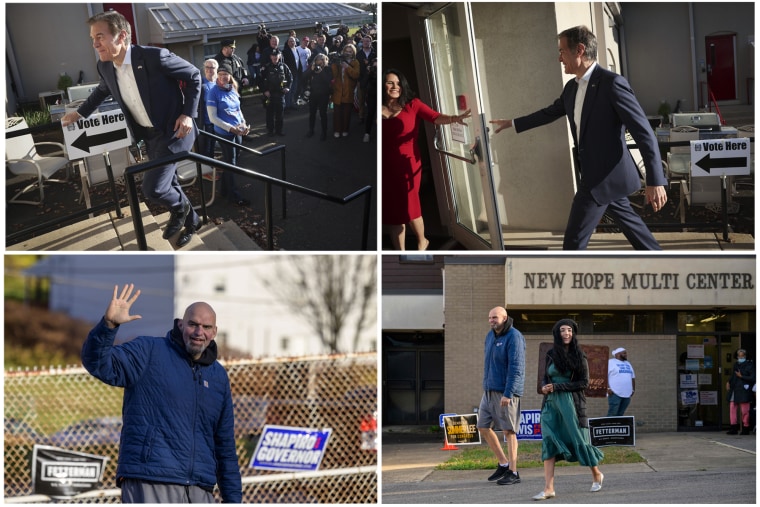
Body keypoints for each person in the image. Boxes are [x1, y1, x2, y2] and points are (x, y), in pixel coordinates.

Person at [490, 25, 668, 250]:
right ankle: (663, 262)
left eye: (562, 51)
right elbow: (549, 113)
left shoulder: (612, 84)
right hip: (605, 180)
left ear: (580, 50)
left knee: (573, 243)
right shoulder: (571, 89)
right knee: (636, 232)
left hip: (598, 180)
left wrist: (655, 180)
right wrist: (513, 123)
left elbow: (644, 132)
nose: (559, 58)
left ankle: (569, 278)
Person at [81, 284, 241, 503]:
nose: (198, 332)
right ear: (181, 324)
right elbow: (98, 364)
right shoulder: (149, 351)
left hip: (200, 489)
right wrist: (109, 325)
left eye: (206, 327)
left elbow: (225, 447)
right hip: (150, 480)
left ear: (214, 332)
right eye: (193, 324)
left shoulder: (217, 376)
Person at [60, 10, 202, 248]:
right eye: (93, 38)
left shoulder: (155, 57)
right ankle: (193, 221)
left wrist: (188, 114)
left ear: (121, 36)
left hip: (174, 132)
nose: (95, 44)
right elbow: (102, 91)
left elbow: (194, 76)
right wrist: (80, 113)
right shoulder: (105, 66)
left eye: (100, 37)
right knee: (170, 184)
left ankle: (182, 208)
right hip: (149, 136)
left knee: (153, 188)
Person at [382, 69, 471, 250]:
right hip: (384, 166)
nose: (395, 87)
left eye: (398, 83)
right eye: (390, 82)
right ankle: (401, 252)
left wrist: (455, 118)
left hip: (408, 164)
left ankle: (423, 240)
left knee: (410, 205)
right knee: (392, 211)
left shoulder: (413, 105)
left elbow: (435, 117)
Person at [534, 319, 604, 501]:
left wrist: (558, 387)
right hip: (551, 404)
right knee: (549, 440)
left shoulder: (579, 355)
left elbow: (584, 383)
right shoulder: (550, 354)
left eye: (570, 330)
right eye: (563, 330)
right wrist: (544, 387)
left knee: (579, 439)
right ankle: (549, 488)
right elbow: (544, 378)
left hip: (571, 404)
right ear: (557, 333)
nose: (566, 333)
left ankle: (596, 474)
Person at [478, 306, 526, 487]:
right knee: (482, 426)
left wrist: (509, 393)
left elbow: (517, 367)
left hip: (505, 392)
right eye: (490, 318)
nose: (491, 321)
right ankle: (503, 463)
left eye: (495, 318)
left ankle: (514, 472)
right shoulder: (490, 336)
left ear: (505, 318)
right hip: (489, 390)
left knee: (509, 431)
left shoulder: (514, 337)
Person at [206, 63, 251, 207]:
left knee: (231, 162)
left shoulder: (233, 89)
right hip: (225, 133)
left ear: (230, 76)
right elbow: (213, 118)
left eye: (226, 74)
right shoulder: (213, 92)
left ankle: (224, 190)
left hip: (238, 131)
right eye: (220, 74)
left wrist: (244, 123)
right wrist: (231, 129)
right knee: (231, 164)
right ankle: (234, 195)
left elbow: (238, 110)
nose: (223, 77)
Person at [259, 48, 292, 137]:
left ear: (279, 56)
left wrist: (288, 88)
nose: (274, 57)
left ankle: (279, 130)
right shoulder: (266, 67)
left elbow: (290, 78)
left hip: (280, 95)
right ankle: (270, 131)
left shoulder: (284, 66)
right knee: (269, 114)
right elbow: (260, 80)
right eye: (273, 56)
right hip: (269, 95)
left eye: (276, 55)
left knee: (280, 114)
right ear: (270, 57)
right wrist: (264, 91)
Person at [330, 43, 360, 138]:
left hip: (348, 91)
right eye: (346, 51)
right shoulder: (339, 60)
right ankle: (337, 130)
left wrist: (347, 67)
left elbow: (356, 75)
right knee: (337, 113)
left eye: (350, 51)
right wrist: (335, 63)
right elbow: (334, 75)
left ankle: (345, 129)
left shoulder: (355, 62)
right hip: (338, 90)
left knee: (346, 113)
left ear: (353, 52)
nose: (348, 53)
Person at [302, 53, 333, 141]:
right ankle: (311, 130)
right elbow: (303, 77)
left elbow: (328, 81)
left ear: (326, 61)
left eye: (323, 60)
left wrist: (321, 71)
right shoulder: (312, 68)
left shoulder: (328, 69)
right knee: (312, 114)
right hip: (313, 95)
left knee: (323, 114)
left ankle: (324, 132)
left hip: (324, 95)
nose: (321, 61)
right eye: (319, 59)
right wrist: (310, 70)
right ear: (315, 60)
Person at [726, 349, 756, 435]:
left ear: (745, 356)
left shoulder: (750, 365)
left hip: (744, 389)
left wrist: (742, 376)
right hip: (735, 388)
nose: (740, 358)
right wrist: (728, 382)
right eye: (739, 356)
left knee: (745, 410)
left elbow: (753, 378)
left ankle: (745, 427)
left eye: (742, 356)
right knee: (732, 407)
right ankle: (733, 427)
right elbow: (733, 375)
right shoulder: (736, 364)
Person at [607, 347, 636, 416]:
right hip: (615, 393)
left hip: (627, 394)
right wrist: (608, 388)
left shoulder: (628, 363)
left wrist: (633, 390)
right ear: (617, 354)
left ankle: (617, 426)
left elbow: (632, 377)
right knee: (612, 413)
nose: (626, 355)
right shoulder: (611, 362)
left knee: (620, 414)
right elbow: (604, 376)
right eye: (624, 353)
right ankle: (609, 426)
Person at [356, 36, 376, 122]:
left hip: (373, 80)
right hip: (362, 79)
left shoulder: (375, 53)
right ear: (362, 43)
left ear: (370, 42)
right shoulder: (359, 54)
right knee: (361, 99)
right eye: (364, 41)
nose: (366, 43)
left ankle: (374, 117)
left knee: (373, 99)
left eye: (368, 41)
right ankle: (361, 116)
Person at [282, 36, 300, 110]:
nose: (292, 43)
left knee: (294, 90)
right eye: (290, 41)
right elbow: (284, 63)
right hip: (289, 74)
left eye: (293, 41)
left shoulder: (297, 50)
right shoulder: (285, 51)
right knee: (288, 90)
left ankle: (291, 104)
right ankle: (287, 106)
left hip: (296, 73)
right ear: (288, 43)